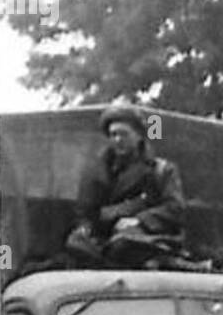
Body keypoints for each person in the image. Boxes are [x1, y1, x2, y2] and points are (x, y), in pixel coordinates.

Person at [66, 104, 186, 268]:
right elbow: (86, 212)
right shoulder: (98, 172)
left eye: (124, 134)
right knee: (76, 244)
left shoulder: (161, 170)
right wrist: (84, 229)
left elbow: (174, 209)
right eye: (113, 134)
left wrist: (139, 221)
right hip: (104, 238)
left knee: (123, 245)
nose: (117, 140)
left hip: (148, 237)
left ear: (138, 136)